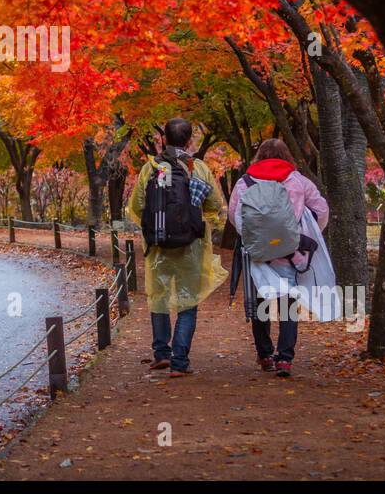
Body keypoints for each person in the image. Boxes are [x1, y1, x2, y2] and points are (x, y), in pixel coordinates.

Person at [127, 118, 228, 378]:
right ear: (189, 141)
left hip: (158, 248)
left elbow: (136, 207)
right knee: (187, 302)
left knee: (158, 297)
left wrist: (155, 228)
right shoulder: (199, 169)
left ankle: (161, 354)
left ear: (164, 140)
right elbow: (215, 205)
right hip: (191, 247)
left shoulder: (150, 169)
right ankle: (180, 362)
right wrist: (202, 222)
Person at [230, 138, 329, 378]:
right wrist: (304, 232)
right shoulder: (299, 182)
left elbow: (235, 215)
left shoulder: (245, 182)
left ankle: (265, 355)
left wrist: (252, 237)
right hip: (289, 253)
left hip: (258, 254)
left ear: (260, 156)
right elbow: (322, 210)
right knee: (288, 304)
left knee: (261, 302)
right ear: (286, 156)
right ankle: (285, 358)